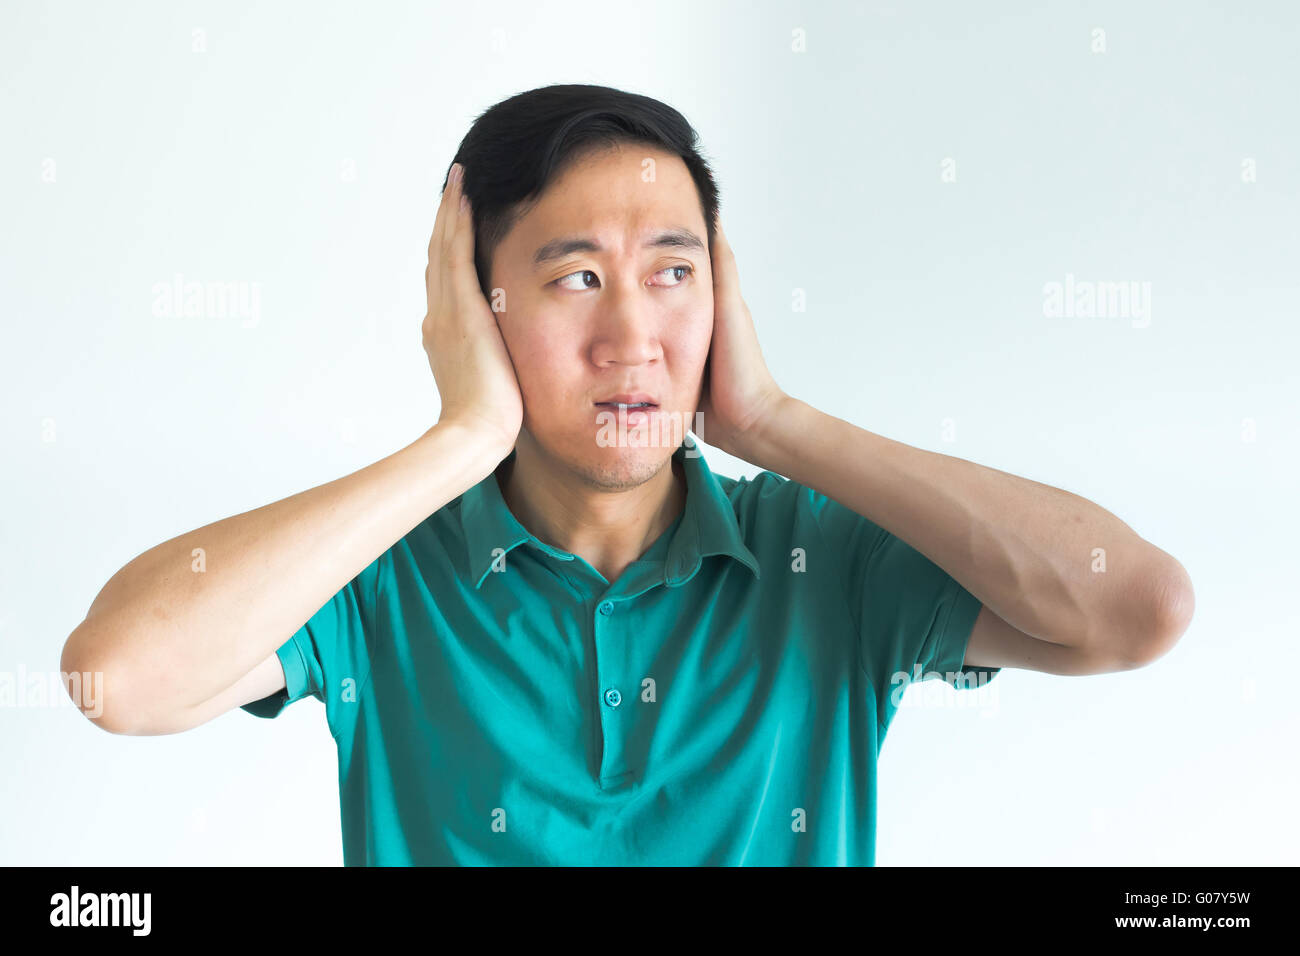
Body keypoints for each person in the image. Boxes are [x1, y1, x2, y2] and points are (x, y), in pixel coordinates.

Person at [61, 84, 1195, 865]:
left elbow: (1137, 606)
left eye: (671, 272)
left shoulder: (824, 555)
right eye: (572, 280)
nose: (632, 337)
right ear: (474, 301)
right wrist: (461, 436)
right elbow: (115, 677)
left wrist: (776, 422)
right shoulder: (379, 582)